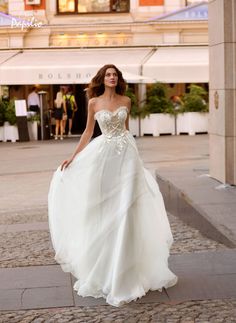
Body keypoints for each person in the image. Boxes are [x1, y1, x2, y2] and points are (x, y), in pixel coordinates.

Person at [48, 64, 178, 307]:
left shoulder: (127, 100)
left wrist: (136, 159)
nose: (111, 77)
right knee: (107, 208)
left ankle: (128, 270)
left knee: (128, 208)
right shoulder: (94, 102)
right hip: (104, 157)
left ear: (118, 80)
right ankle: (107, 266)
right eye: (108, 74)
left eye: (114, 75)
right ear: (102, 79)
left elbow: (127, 131)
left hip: (127, 157)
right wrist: (73, 157)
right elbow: (88, 132)